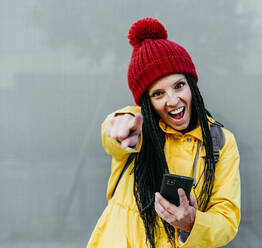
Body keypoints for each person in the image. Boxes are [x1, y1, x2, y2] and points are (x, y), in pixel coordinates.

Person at [87, 17, 240, 248]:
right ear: (147, 103)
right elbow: (115, 130)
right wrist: (120, 132)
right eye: (158, 94)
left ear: (191, 86)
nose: (173, 100)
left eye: (179, 85)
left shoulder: (220, 142)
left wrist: (192, 223)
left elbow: (227, 218)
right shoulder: (137, 129)